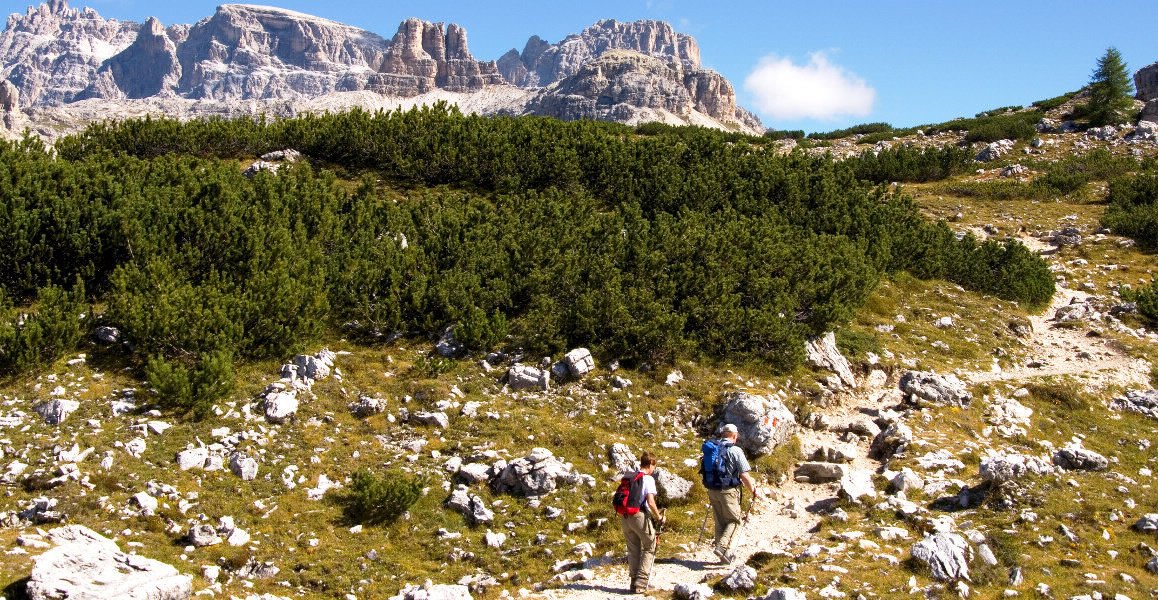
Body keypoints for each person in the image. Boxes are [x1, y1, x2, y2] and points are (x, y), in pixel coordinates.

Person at [703, 423, 762, 564]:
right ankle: (722, 547)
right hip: (728, 491)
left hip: (712, 489)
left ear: (722, 434)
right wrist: (753, 490)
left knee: (720, 522)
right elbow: (744, 475)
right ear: (734, 436)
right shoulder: (735, 450)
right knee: (734, 521)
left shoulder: (713, 448)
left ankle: (724, 556)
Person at [619, 451, 665, 594]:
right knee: (650, 545)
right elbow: (650, 502)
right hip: (638, 515)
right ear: (650, 464)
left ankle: (633, 582)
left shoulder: (630, 477)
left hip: (624, 516)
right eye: (654, 466)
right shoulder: (648, 479)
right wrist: (659, 517)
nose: (654, 469)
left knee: (633, 549)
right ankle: (642, 582)